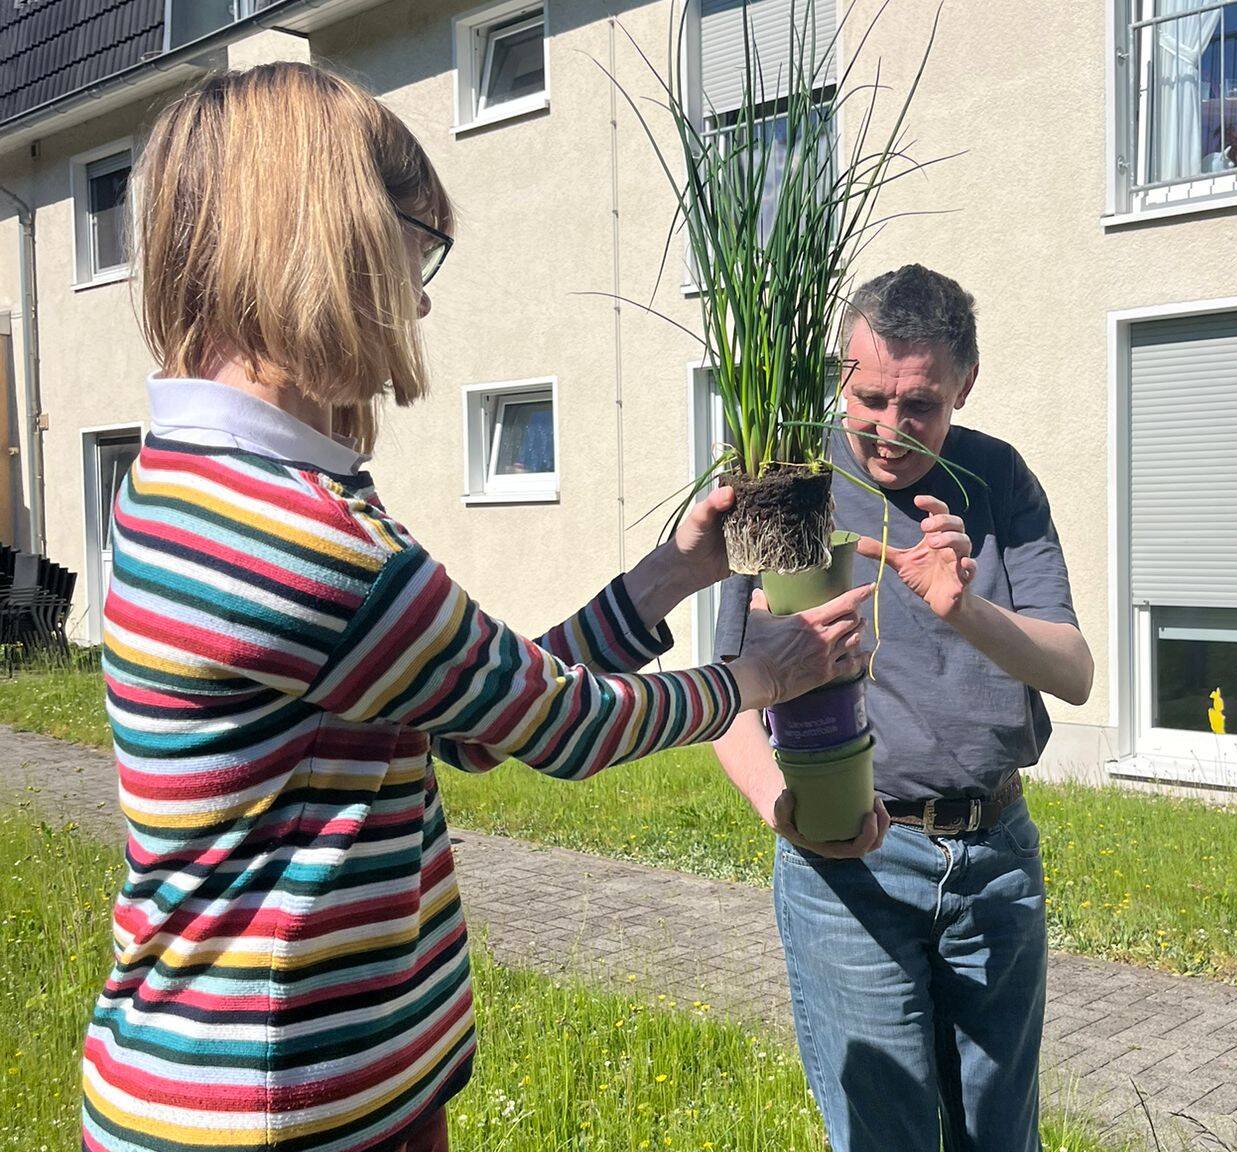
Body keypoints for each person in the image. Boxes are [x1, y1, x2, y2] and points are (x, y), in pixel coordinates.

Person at [83, 62, 869, 1152]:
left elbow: (464, 712)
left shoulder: (189, 485)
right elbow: (557, 725)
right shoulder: (299, 539)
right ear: (331, 239)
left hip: (264, 1079)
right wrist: (760, 678)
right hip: (291, 1099)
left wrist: (666, 577)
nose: (422, 293)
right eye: (417, 245)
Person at [714, 264, 1093, 1152]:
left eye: (919, 404)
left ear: (965, 383)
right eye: (870, 396)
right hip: (851, 867)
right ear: (842, 375)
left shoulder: (997, 478)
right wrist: (788, 814)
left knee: (1000, 1140)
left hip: (996, 856)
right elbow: (728, 701)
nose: (889, 427)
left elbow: (1072, 672)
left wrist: (963, 607)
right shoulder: (787, 482)